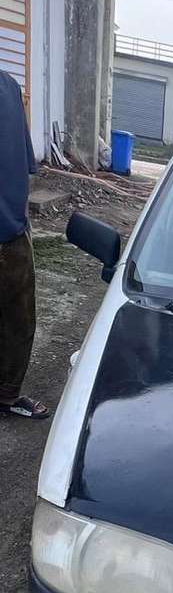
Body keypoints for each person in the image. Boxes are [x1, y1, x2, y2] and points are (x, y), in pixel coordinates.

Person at [0, 69, 49, 419]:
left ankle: (6, 393)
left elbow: (23, 163)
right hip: (11, 226)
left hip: (11, 228)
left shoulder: (9, 88)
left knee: (18, 318)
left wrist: (21, 216)